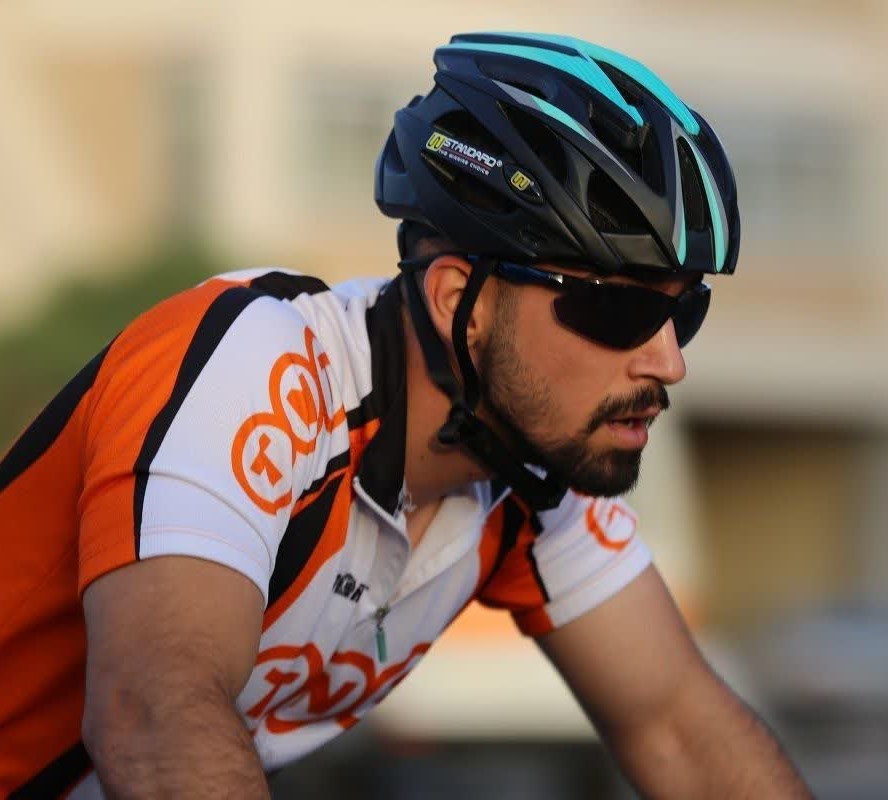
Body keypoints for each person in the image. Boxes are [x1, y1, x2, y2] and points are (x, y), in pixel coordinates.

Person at [0, 31, 810, 799]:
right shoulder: (259, 367)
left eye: (684, 311)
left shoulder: (530, 477)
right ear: (462, 303)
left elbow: (681, 730)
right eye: (619, 311)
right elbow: (151, 715)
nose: (668, 361)